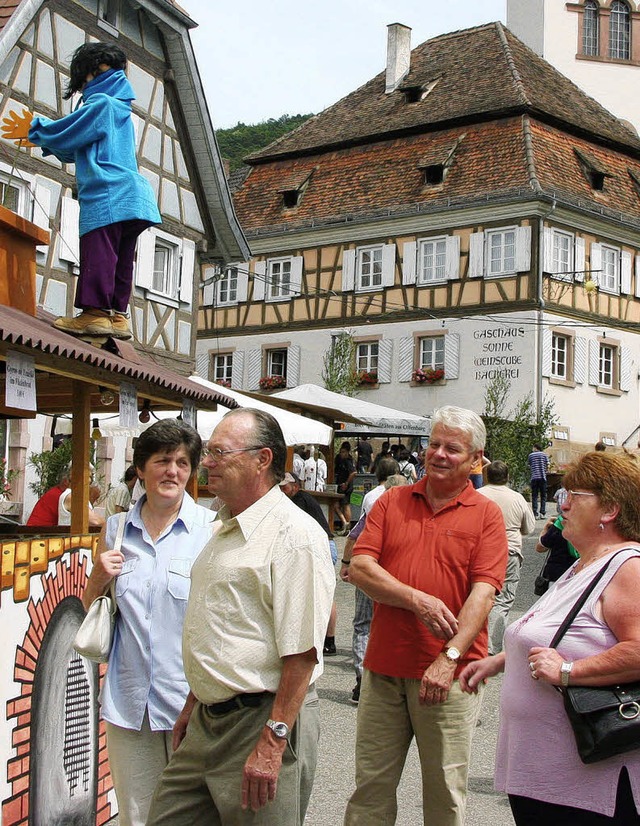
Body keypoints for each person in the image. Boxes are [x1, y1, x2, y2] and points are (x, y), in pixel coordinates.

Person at [146, 409, 335, 825]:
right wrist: (193, 701)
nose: (206, 462)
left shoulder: (295, 536)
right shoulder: (224, 525)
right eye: (208, 451)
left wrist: (273, 741)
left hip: (262, 720)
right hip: (206, 721)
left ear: (262, 460)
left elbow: (302, 653)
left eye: (219, 452)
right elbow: (222, 627)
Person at [344, 406, 508, 826]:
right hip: (384, 669)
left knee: (444, 794)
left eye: (452, 448)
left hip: (450, 676)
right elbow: (359, 568)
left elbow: (483, 595)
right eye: (433, 444)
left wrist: (448, 657)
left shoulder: (487, 514)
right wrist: (417, 599)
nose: (438, 454)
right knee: (370, 790)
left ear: (476, 459)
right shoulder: (393, 501)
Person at [460, 451, 640, 825]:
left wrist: (570, 670)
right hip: (550, 774)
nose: (564, 505)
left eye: (574, 495)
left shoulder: (628, 567)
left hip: (588, 783)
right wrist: (503, 658)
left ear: (609, 510)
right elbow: (567, 635)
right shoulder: (583, 563)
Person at [81, 419, 215, 826]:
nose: (172, 471)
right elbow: (91, 608)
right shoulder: (117, 529)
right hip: (129, 702)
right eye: (161, 461)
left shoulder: (210, 531)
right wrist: (98, 578)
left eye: (181, 462)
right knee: (137, 817)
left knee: (192, 815)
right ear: (141, 468)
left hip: (190, 704)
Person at [1, 42, 160, 338]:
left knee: (99, 252)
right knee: (121, 258)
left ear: (92, 72)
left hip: (107, 192)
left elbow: (70, 131)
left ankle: (94, 314)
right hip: (135, 199)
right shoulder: (120, 109)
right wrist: (44, 140)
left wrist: (35, 130)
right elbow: (76, 147)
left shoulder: (101, 104)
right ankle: (117, 316)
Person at [339, 456, 400, 703]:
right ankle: (388, 679)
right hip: (395, 575)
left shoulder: (373, 503)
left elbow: (354, 535)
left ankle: (363, 679)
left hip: (369, 569)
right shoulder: (415, 511)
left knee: (363, 624)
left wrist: (346, 564)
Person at [478, 460, 536, 654]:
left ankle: (474, 640)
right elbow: (528, 528)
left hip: (481, 551)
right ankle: (491, 646)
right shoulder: (517, 498)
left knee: (477, 594)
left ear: (486, 476)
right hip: (509, 551)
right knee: (503, 600)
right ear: (508, 477)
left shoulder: (477, 496)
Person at [280, 471, 339, 656]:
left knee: (323, 594)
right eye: (279, 487)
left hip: (321, 547)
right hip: (324, 545)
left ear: (295, 486)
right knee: (321, 593)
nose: (281, 490)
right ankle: (325, 640)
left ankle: (327, 641)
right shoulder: (300, 498)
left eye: (285, 487)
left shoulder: (298, 500)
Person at [535, 513, 579, 585]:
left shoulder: (560, 523)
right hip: (579, 575)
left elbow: (540, 548)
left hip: (555, 574)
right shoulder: (594, 524)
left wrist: (545, 529)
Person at [334, 441, 356, 535]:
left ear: (347, 452)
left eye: (343, 452)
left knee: (345, 505)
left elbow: (353, 472)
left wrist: (346, 483)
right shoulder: (341, 460)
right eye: (340, 452)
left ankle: (347, 526)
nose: (341, 454)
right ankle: (345, 523)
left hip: (346, 487)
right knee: (336, 505)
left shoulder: (348, 461)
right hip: (340, 485)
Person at [528, 443, 549, 519]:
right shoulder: (544, 455)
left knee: (534, 496)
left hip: (534, 477)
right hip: (543, 477)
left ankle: (535, 513)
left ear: (535, 448)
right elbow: (547, 465)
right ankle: (542, 513)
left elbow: (529, 465)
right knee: (543, 496)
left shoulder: (531, 455)